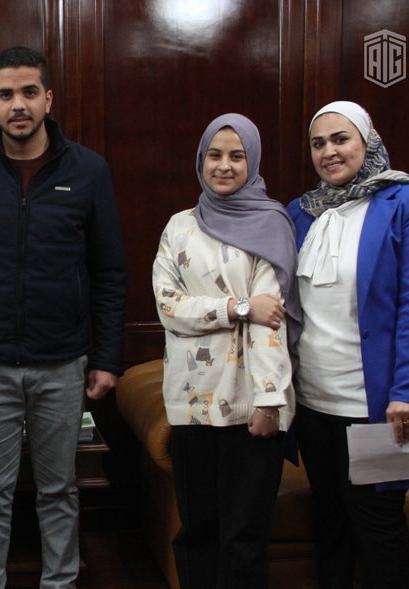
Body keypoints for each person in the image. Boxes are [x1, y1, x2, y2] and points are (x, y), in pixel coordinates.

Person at [0, 46, 127, 588]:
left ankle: (60, 583)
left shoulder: (88, 170)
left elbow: (109, 271)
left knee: (59, 488)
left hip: (63, 363)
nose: (18, 105)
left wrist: (108, 356)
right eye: (6, 95)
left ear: (47, 97)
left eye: (28, 93)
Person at [288, 101, 409, 589]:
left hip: (377, 402)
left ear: (368, 142)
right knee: (331, 521)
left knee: (378, 524)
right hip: (314, 401)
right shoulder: (299, 213)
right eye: (318, 143)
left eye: (341, 139)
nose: (329, 152)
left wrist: (408, 390)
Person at [152, 114, 300, 588]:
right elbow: (169, 307)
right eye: (214, 155)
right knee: (197, 531)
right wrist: (238, 307)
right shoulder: (179, 227)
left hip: (250, 406)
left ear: (252, 161)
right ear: (201, 160)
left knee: (244, 535)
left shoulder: (270, 225)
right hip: (191, 403)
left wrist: (270, 400)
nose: (224, 166)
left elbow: (271, 322)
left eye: (237, 156)